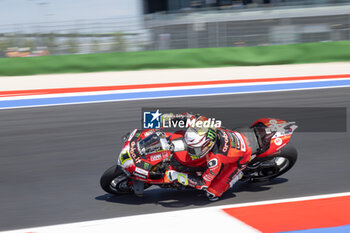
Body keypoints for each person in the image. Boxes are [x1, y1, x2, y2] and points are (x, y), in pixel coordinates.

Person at [164, 113, 253, 201]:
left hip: (241, 158)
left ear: (207, 145)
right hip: (232, 135)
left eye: (195, 149)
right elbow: (189, 117)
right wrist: (169, 118)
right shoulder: (204, 124)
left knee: (212, 193)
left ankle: (237, 175)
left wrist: (177, 176)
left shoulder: (214, 160)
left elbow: (202, 184)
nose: (190, 152)